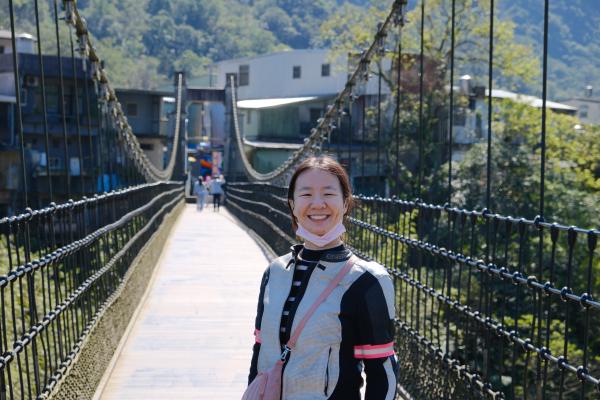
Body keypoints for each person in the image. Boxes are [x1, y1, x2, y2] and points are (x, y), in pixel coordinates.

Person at [247, 156, 398, 399]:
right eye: (306, 194)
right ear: (292, 205)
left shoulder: (367, 281)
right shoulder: (274, 273)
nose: (317, 204)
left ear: (346, 203)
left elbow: (382, 374)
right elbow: (260, 354)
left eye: (328, 194)